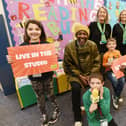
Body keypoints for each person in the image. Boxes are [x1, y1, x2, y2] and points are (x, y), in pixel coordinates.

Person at [7, 19, 60, 126]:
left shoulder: (47, 44)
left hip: (47, 76)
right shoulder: (22, 47)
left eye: (37, 29)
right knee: (39, 96)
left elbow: (53, 62)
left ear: (41, 31)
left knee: (50, 95)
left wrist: (55, 56)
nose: (34, 31)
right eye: (30, 29)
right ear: (26, 31)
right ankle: (44, 113)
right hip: (34, 78)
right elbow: (19, 62)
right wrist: (12, 60)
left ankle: (56, 109)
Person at [63, 23, 100, 126]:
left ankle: (96, 111)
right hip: (75, 74)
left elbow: (97, 62)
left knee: (96, 88)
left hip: (90, 73)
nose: (82, 36)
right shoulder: (69, 47)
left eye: (84, 34)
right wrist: (80, 75)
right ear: (76, 35)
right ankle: (77, 117)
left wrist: (90, 76)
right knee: (75, 89)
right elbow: (67, 65)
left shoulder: (92, 45)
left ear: (87, 35)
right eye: (80, 33)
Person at [103, 38, 126, 109]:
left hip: (118, 69)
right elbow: (103, 64)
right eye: (109, 44)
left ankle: (115, 95)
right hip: (109, 70)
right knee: (115, 81)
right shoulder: (105, 55)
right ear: (107, 46)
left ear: (115, 45)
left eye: (113, 44)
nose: (111, 45)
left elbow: (121, 60)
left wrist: (123, 64)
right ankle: (117, 96)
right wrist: (109, 64)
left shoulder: (118, 52)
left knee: (122, 81)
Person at [89, 6, 111, 74]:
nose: (102, 14)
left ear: (106, 15)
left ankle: (102, 83)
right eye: (101, 12)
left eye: (104, 12)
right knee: (95, 71)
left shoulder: (108, 26)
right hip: (94, 52)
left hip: (104, 52)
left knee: (103, 71)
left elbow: (109, 40)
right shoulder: (92, 25)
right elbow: (89, 39)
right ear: (98, 14)